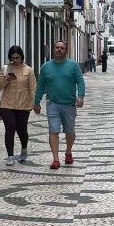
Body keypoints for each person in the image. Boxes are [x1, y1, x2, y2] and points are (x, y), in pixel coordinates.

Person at [34, 39, 85, 169]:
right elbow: (40, 85)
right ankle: (55, 159)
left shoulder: (73, 66)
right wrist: (37, 101)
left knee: (70, 131)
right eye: (57, 47)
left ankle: (68, 151)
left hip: (69, 104)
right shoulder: (46, 67)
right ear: (53, 49)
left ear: (65, 51)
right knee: (53, 131)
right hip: (52, 104)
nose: (59, 50)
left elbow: (80, 81)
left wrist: (81, 96)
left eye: (62, 48)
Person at [0, 45, 36, 167]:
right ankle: (10, 156)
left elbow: (33, 88)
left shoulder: (29, 70)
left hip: (23, 104)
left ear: (22, 56)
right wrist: (6, 79)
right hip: (7, 104)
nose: (15, 60)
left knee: (22, 130)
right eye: (13, 58)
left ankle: (24, 147)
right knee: (10, 127)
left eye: (18, 57)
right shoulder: (5, 69)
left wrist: (34, 103)